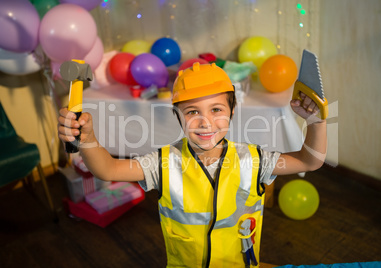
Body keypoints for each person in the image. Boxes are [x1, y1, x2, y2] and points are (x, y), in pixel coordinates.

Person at [58, 62, 326, 268]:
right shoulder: (163, 163)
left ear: (232, 112)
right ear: (178, 117)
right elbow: (107, 169)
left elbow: (309, 161)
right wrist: (88, 139)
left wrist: (315, 121)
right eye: (193, 112)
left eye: (216, 110)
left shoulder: (254, 160)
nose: (205, 122)